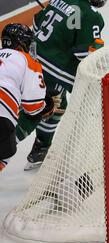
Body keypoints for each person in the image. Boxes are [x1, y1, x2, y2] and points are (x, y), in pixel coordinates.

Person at [16, 0, 106, 170]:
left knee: (56, 105)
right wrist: (98, 52)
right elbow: (83, 54)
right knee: (42, 108)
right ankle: (7, 147)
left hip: (31, 60)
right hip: (53, 71)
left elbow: (36, 23)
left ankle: (41, 147)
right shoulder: (92, 15)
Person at [0, 24, 54, 173]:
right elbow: (33, 107)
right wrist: (48, 105)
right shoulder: (28, 61)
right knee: (4, 153)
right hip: (1, 115)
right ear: (22, 43)